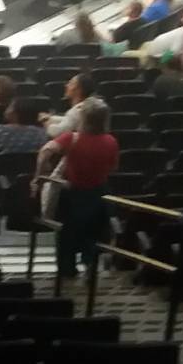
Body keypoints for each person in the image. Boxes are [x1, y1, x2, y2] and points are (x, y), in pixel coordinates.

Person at [38, 97, 119, 288]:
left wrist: (41, 174)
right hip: (99, 194)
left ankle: (67, 275)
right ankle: (90, 265)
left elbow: (45, 151)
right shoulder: (111, 141)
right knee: (93, 233)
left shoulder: (71, 138)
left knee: (67, 233)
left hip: (72, 193)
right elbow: (113, 168)